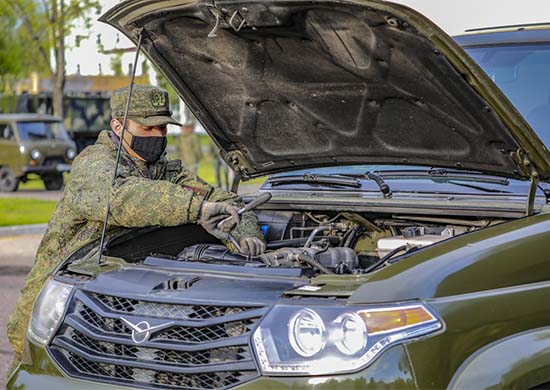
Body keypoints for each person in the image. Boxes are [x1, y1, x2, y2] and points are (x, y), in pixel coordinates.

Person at [6, 84, 265, 372]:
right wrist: (196, 209)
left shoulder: (165, 170)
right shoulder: (93, 163)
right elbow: (122, 198)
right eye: (148, 129)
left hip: (115, 311)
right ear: (118, 126)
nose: (158, 136)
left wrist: (244, 232)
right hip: (56, 313)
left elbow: (225, 200)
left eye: (163, 129)